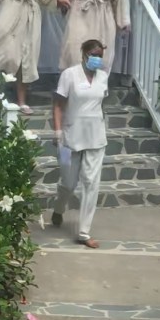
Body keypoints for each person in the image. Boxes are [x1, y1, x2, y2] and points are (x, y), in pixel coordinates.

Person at [51, 39, 109, 249]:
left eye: (100, 55)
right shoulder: (69, 75)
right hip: (68, 138)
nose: (97, 59)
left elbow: (101, 104)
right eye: (93, 54)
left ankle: (84, 233)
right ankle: (59, 208)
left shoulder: (103, 77)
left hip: (96, 138)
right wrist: (58, 132)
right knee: (68, 182)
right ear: (83, 54)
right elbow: (58, 105)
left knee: (91, 183)